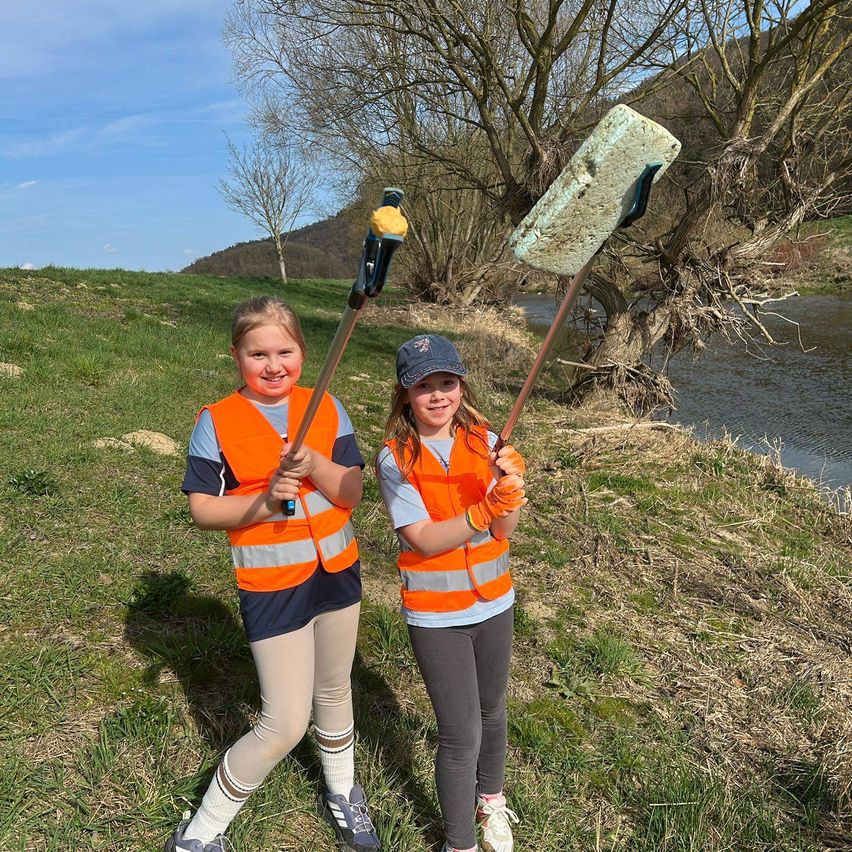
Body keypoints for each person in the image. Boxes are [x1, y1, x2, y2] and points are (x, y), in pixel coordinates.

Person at [165, 295, 380, 852]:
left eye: (284, 350)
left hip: (337, 573)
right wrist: (263, 503)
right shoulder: (217, 421)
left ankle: (342, 791)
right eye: (257, 353)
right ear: (236, 355)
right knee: (284, 722)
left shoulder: (327, 407)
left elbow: (352, 491)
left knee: (334, 689)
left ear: (303, 352)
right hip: (273, 587)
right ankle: (200, 833)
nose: (273, 364)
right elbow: (202, 510)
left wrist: (317, 465)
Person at [375, 334, 528, 852]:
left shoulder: (486, 442)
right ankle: (459, 842)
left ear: (461, 385)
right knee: (460, 733)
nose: (438, 395)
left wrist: (510, 492)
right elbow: (421, 538)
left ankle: (492, 804)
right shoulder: (395, 459)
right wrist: (483, 511)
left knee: (493, 711)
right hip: (437, 614)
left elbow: (504, 530)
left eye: (447, 382)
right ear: (405, 396)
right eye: (424, 386)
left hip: (495, 601)